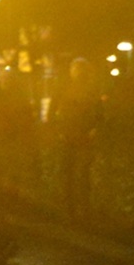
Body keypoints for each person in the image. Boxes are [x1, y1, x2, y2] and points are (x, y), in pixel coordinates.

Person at [50, 58, 104, 221]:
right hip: (71, 135)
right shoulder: (66, 88)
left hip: (81, 135)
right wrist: (58, 130)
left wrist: (94, 129)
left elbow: (99, 113)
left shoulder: (88, 89)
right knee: (73, 173)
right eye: (76, 69)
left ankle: (79, 209)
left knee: (79, 173)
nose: (78, 72)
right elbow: (53, 111)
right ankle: (73, 209)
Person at [0, 66, 37, 199]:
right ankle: (1, 199)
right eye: (4, 79)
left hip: (11, 143)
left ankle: (10, 200)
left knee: (11, 173)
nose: (6, 82)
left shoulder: (18, 97)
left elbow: (27, 120)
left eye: (8, 79)